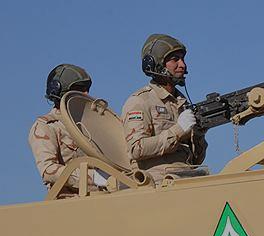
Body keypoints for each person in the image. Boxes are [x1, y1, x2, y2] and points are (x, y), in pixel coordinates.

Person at [122, 34, 207, 181]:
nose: (182, 65)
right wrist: (178, 130)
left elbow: (196, 161)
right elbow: (136, 149)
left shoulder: (182, 103)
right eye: (175, 59)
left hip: (186, 177)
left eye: (183, 59)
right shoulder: (140, 101)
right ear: (156, 64)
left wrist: (199, 135)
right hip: (157, 181)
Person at [28, 64, 105, 195]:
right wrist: (95, 178)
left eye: (87, 89)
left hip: (106, 194)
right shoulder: (46, 126)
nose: (86, 94)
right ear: (59, 91)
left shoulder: (92, 124)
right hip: (69, 199)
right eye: (79, 89)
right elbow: (48, 170)